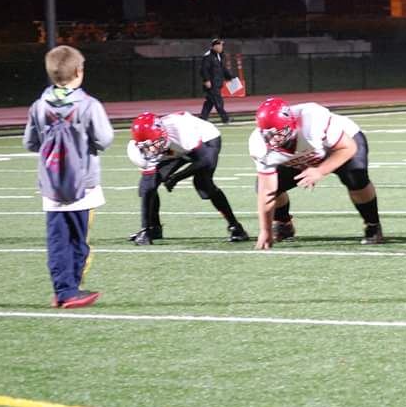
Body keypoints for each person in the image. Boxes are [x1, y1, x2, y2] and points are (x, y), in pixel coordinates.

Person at [23, 45, 114, 308]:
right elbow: (105, 139)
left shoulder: (39, 106)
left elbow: (30, 143)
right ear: (78, 71)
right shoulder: (89, 105)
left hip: (51, 184)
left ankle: (63, 290)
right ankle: (71, 291)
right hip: (82, 184)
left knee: (57, 240)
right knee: (78, 239)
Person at [250, 97, 382, 249]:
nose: (274, 140)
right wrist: (264, 230)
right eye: (268, 134)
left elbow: (348, 148)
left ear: (291, 124)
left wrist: (320, 170)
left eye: (278, 133)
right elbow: (266, 191)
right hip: (303, 156)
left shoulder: (312, 121)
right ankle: (283, 223)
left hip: (337, 146)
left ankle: (372, 224)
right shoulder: (259, 145)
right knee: (268, 187)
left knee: (356, 177)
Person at [126, 111, 249, 244]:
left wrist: (176, 177)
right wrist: (144, 228)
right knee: (148, 186)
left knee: (203, 184)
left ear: (163, 133)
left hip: (205, 140)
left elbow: (205, 160)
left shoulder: (182, 132)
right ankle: (152, 228)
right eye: (147, 147)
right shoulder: (140, 151)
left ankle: (236, 227)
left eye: (154, 144)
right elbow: (148, 187)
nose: (152, 150)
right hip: (175, 147)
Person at [199, 38, 234, 124]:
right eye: (220, 45)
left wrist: (230, 77)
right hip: (212, 84)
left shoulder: (219, 55)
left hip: (217, 83)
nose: (222, 47)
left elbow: (222, 69)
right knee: (218, 101)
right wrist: (206, 80)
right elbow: (204, 69)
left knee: (210, 102)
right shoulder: (208, 56)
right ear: (215, 46)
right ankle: (225, 119)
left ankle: (203, 118)